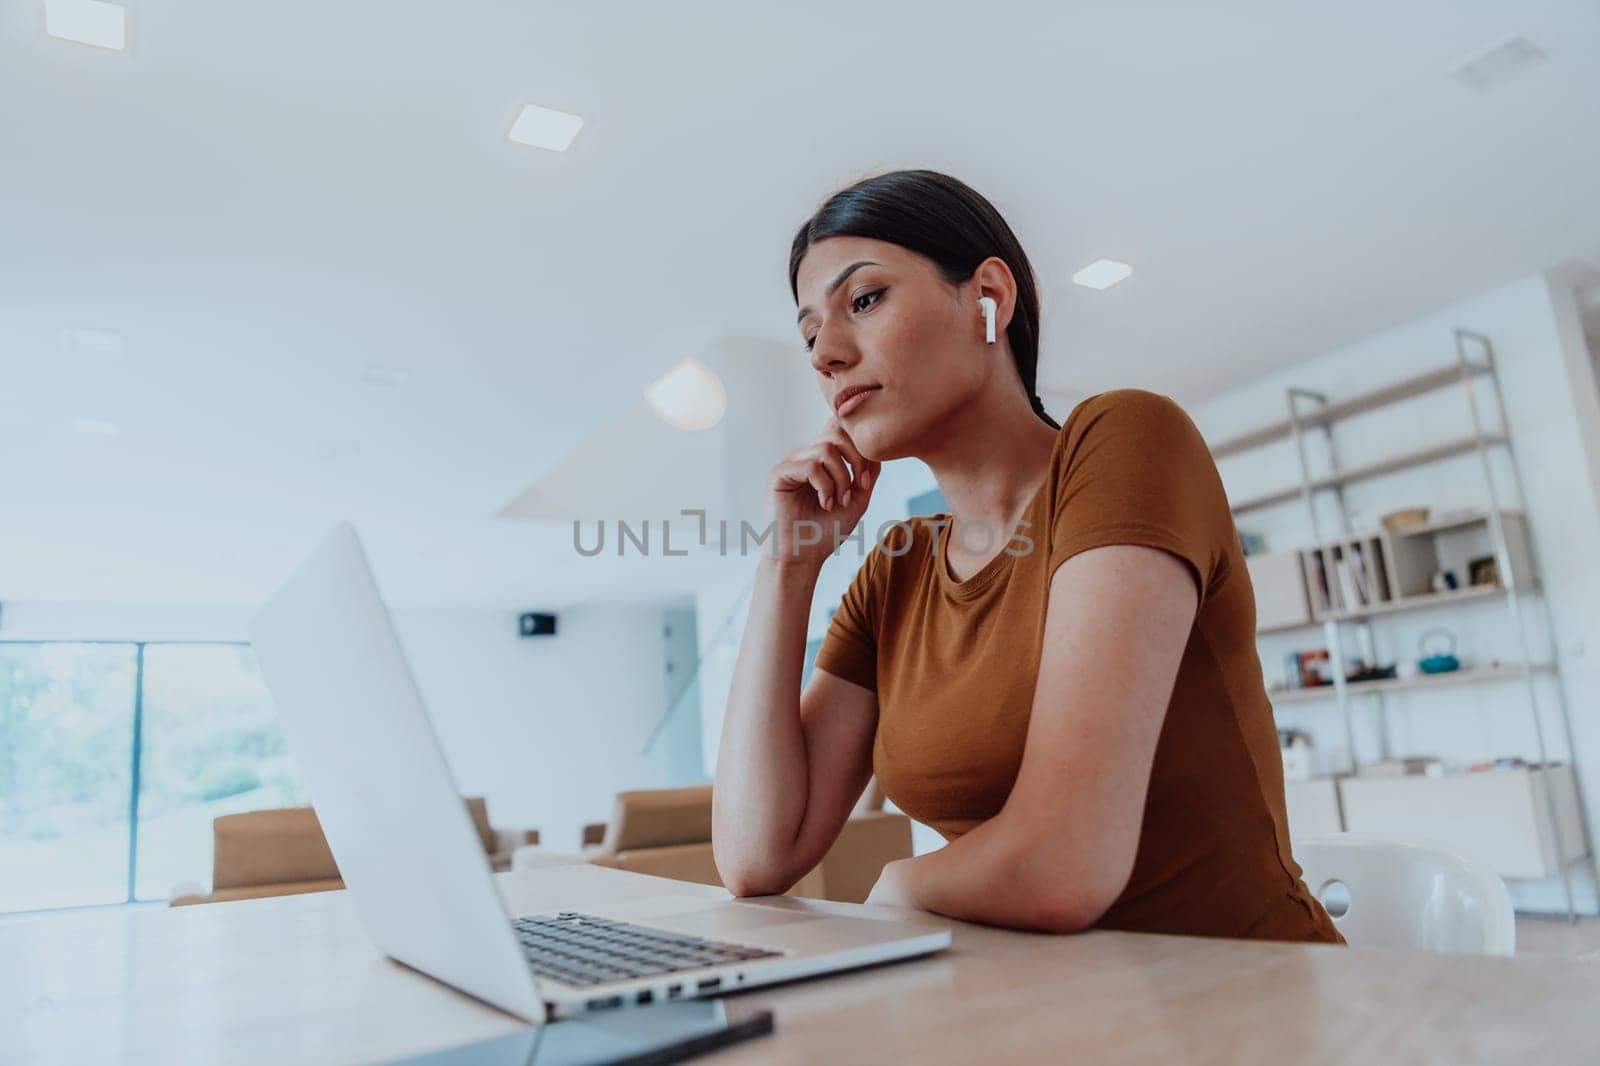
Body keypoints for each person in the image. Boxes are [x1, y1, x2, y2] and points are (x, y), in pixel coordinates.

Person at [711, 169, 1342, 942]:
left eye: (865, 300)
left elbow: (1063, 866)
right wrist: (787, 565)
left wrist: (899, 885)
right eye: (810, 333)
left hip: (1243, 1007)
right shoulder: (898, 568)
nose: (826, 355)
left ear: (988, 299)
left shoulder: (1123, 442)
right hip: (1039, 1010)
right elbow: (756, 855)